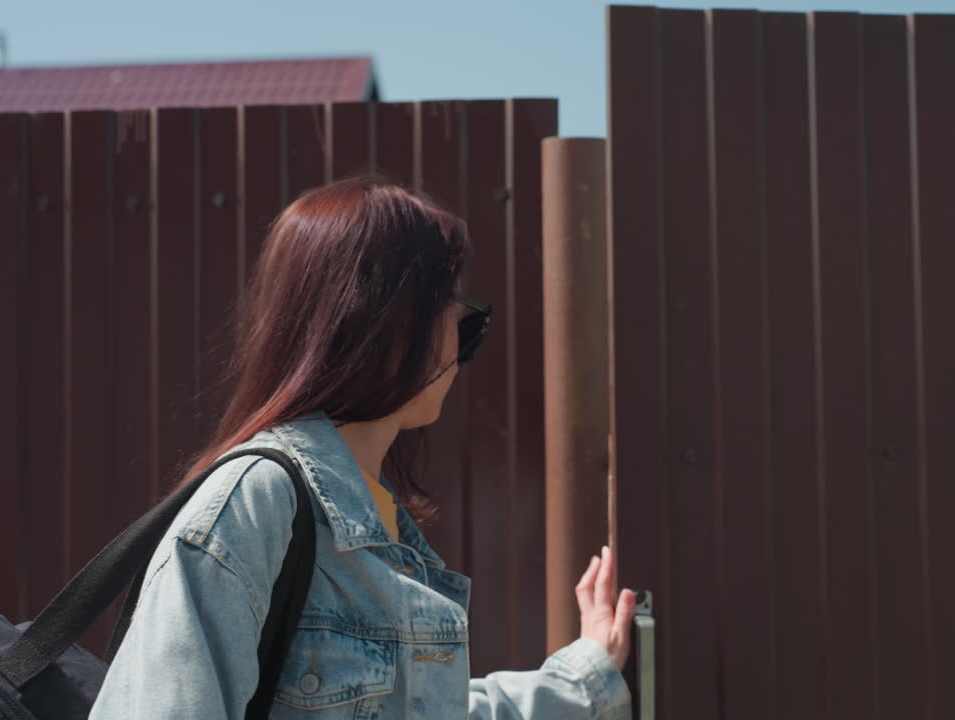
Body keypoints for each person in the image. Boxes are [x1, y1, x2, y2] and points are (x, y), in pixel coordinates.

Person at [89, 175, 635, 719]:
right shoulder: (254, 503)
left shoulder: (376, 522)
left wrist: (585, 677)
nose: (461, 345)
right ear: (392, 319)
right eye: (460, 318)